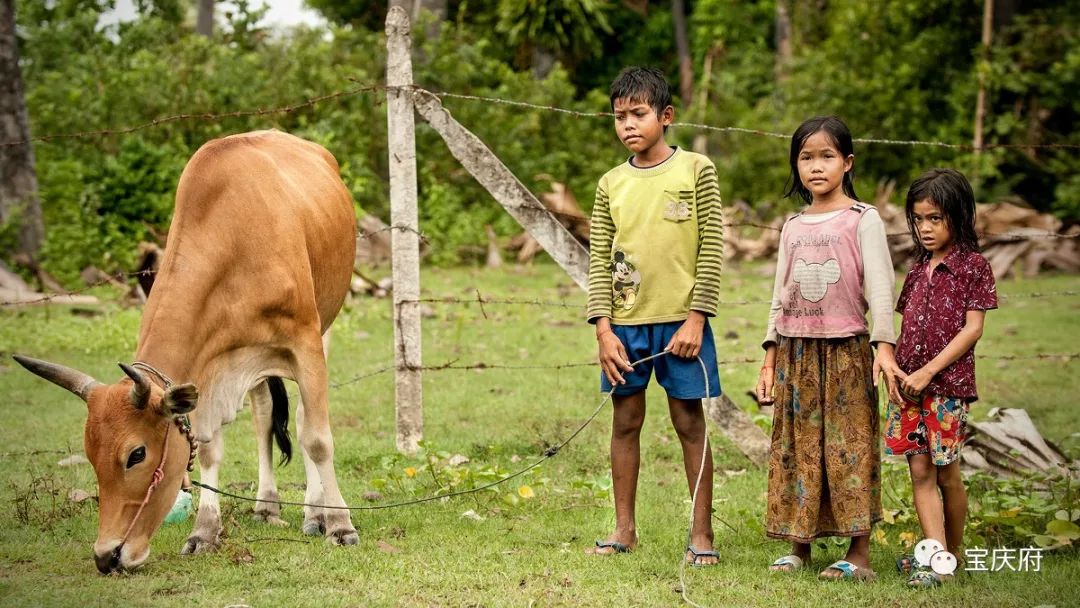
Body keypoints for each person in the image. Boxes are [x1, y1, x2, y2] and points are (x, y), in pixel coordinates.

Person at [586, 66, 725, 567]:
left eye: (639, 114)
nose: (628, 125)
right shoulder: (610, 184)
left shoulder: (696, 170)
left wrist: (697, 317)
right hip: (625, 326)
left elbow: (711, 247)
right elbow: (600, 258)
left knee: (689, 421)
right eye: (619, 116)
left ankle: (701, 535)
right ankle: (624, 530)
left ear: (665, 116)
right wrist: (603, 329)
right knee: (625, 420)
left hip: (682, 322)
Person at [756, 115, 902, 581]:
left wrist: (883, 346)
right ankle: (799, 545)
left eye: (827, 156)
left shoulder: (864, 219)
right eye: (805, 157)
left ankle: (858, 554)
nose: (816, 167)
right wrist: (769, 352)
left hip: (847, 350)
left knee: (849, 447)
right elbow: (780, 294)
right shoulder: (793, 225)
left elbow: (881, 286)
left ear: (847, 162)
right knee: (797, 447)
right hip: (796, 353)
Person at [885, 168, 997, 587]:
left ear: (959, 216)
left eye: (936, 218)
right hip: (908, 388)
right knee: (919, 473)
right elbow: (906, 327)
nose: (925, 228)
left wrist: (929, 371)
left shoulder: (973, 267)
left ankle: (954, 553)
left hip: (946, 388)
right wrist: (894, 370)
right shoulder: (916, 271)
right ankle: (936, 557)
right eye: (918, 219)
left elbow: (973, 329)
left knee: (947, 470)